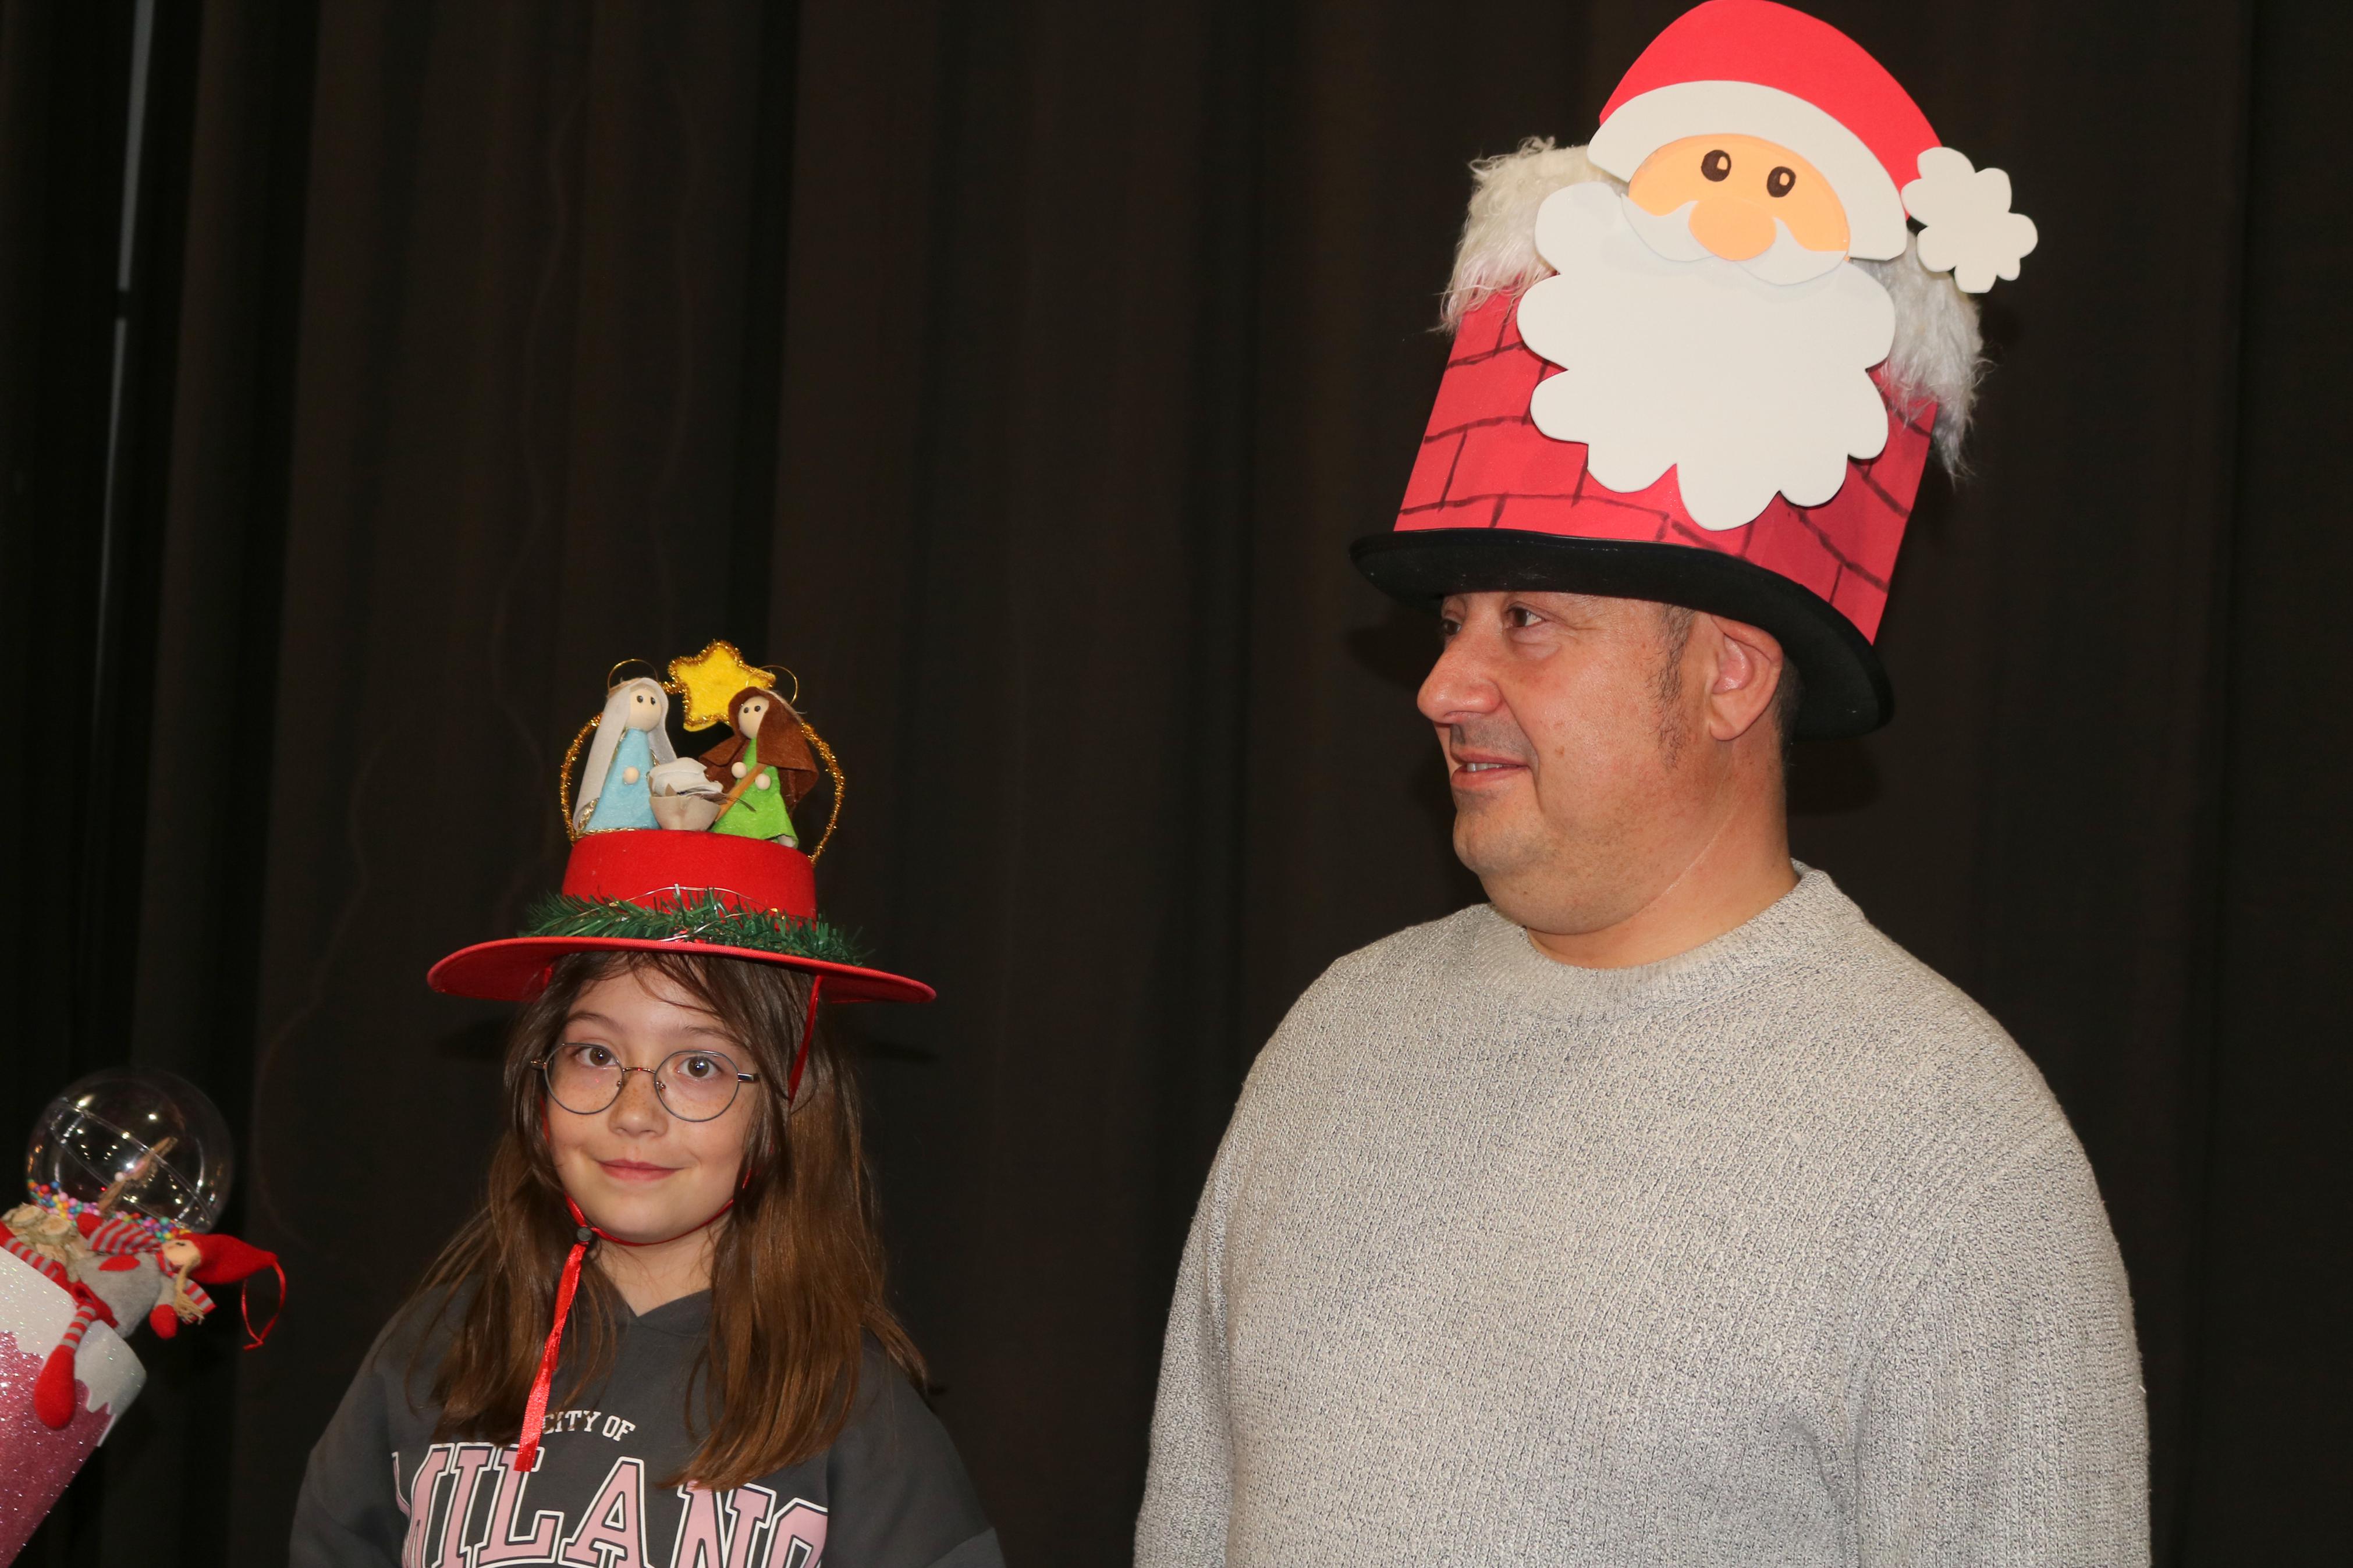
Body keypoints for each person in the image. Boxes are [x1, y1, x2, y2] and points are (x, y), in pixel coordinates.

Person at [1136, 3, 2146, 1564]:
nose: (1441, 685)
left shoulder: (1949, 1159)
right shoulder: (1329, 1049)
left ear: (1730, 674)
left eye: (1527, 623)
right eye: (1453, 622)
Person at [294, 653, 1000, 1568]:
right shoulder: (432, 1351)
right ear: (536, 1078)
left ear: (786, 1104)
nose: (635, 1111)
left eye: (699, 1066)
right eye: (595, 1055)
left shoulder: (848, 1404)